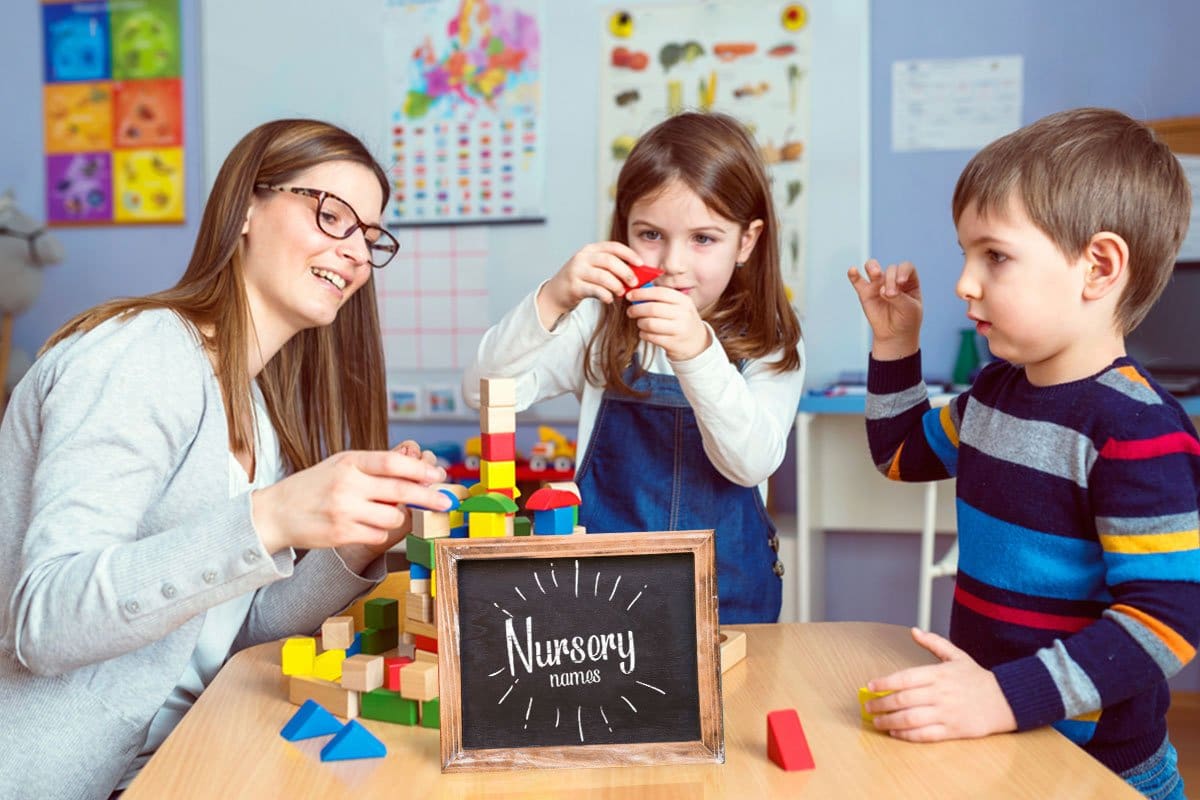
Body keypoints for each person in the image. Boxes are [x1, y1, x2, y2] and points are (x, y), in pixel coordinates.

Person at [0, 118, 452, 800]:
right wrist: (270, 517)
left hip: (181, 752)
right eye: (332, 216)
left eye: (369, 236)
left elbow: (232, 635)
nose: (356, 254)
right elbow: (46, 621)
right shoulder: (139, 355)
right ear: (245, 208)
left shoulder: (256, 408)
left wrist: (357, 547)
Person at [848, 107, 1198, 800]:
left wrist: (1004, 697)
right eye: (965, 254)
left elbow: (1166, 620)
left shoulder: (1137, 428)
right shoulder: (995, 393)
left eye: (995, 256)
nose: (964, 283)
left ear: (1098, 266)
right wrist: (895, 346)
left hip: (1100, 772)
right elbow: (900, 455)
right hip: (1001, 743)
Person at [463, 111, 805, 624]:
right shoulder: (598, 322)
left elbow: (750, 463)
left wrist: (697, 352)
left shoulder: (771, 339)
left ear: (747, 242)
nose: (672, 263)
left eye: (703, 239)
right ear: (623, 228)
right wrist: (553, 299)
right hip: (601, 606)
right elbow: (484, 391)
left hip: (729, 602)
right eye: (650, 234)